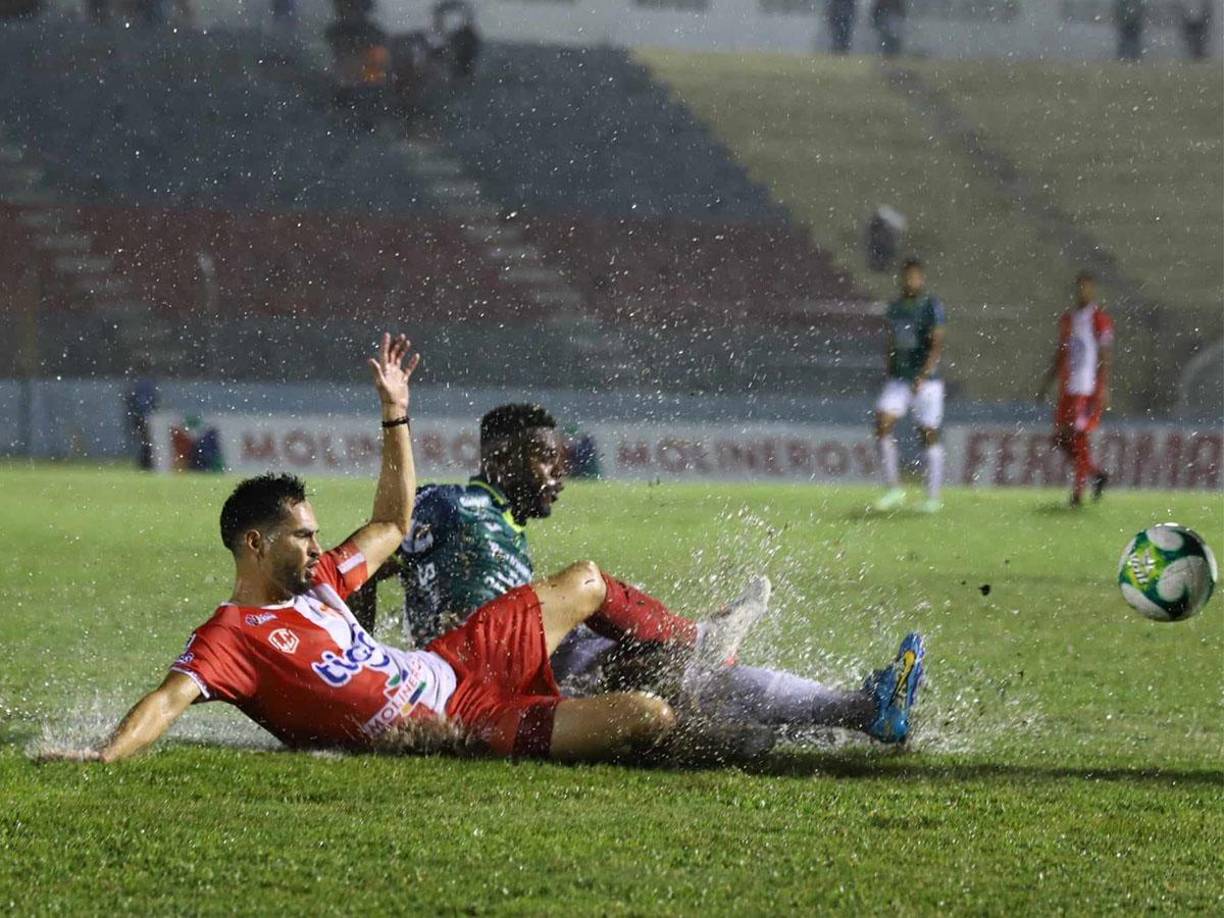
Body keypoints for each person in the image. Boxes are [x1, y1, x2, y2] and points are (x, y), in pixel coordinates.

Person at [38, 335, 798, 765]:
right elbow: (168, 701)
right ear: (253, 542)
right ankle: (768, 740)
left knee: (587, 581)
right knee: (647, 716)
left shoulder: (323, 581)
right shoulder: (230, 639)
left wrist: (395, 417)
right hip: (462, 724)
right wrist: (106, 756)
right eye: (301, 534)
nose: (316, 544)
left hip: (460, 660)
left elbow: (393, 527)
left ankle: (702, 641)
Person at [350, 403, 926, 744]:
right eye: (545, 457)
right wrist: (366, 660)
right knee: (605, 598)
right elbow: (370, 563)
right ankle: (711, 642)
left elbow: (371, 570)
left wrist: (366, 655)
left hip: (529, 665)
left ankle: (857, 710)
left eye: (563, 460)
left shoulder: (470, 513)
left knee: (689, 685)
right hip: (504, 681)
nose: (559, 473)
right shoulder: (453, 504)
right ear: (500, 460)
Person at [872, 258, 947, 514]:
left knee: (928, 433)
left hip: (926, 382)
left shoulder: (931, 307)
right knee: (882, 422)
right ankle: (894, 489)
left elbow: (937, 343)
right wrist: (890, 368)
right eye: (907, 276)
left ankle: (933, 497)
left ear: (922, 279)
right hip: (900, 379)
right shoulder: (894, 308)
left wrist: (924, 374)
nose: (910, 280)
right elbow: (892, 341)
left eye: (915, 276)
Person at [1036, 272, 1114, 507]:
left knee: (1079, 439)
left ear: (1093, 290)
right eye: (1080, 287)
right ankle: (1095, 473)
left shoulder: (1099, 319)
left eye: (1087, 287)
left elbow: (1105, 354)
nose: (1082, 291)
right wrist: (1046, 384)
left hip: (1086, 388)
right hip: (1067, 389)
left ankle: (1078, 494)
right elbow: (1061, 353)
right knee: (1060, 439)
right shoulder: (1068, 319)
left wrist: (1104, 386)